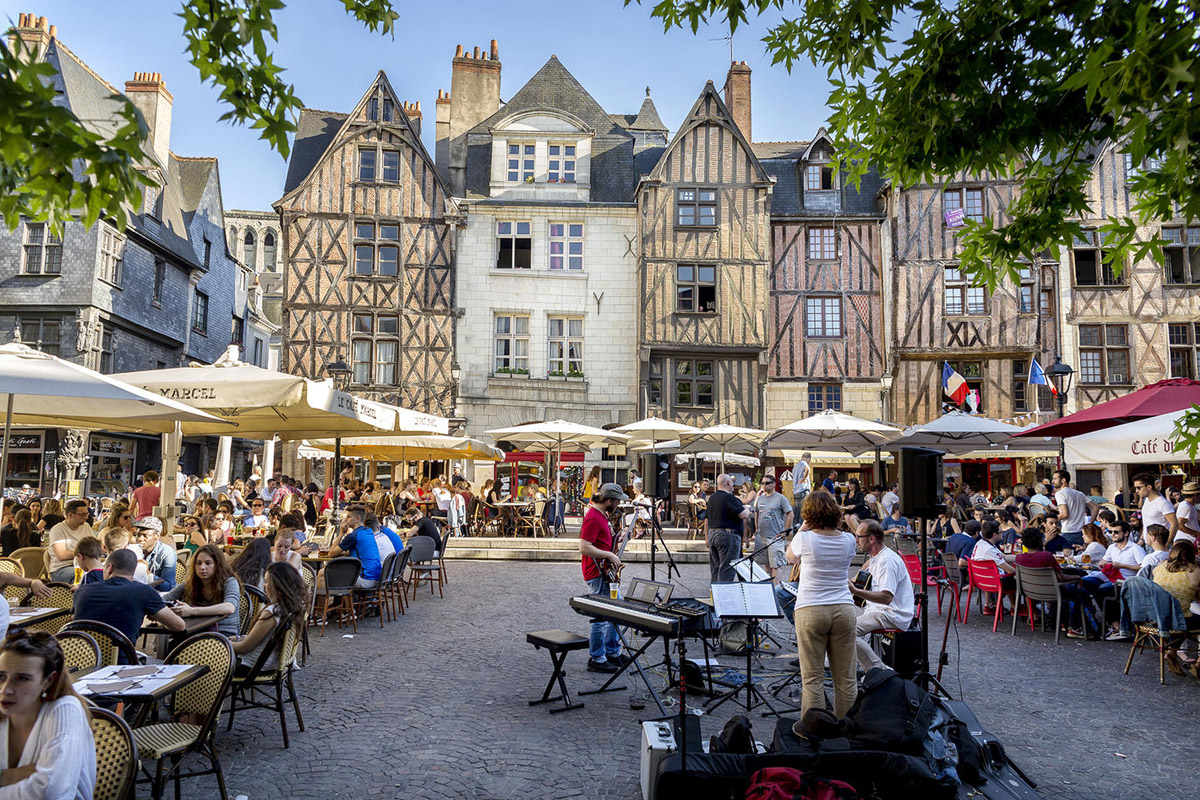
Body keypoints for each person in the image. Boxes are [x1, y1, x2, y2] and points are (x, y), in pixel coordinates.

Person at [785, 491, 857, 719]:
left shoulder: (805, 539)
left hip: (811, 608)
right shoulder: (848, 539)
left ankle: (814, 729)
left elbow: (790, 557)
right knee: (846, 677)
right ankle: (848, 728)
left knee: (812, 678)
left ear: (808, 515)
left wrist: (802, 528)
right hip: (843, 608)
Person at [0, 630, 96, 799]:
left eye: (22, 679)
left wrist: (6, 776)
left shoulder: (65, 709)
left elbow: (50, 792)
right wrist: (24, 773)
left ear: (48, 680)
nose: (5, 689)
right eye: (1, 676)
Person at [73, 549, 186, 654]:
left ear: (109, 567)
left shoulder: (82, 591)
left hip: (82, 660)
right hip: (120, 663)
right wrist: (156, 616)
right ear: (133, 571)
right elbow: (179, 626)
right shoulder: (144, 592)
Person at [849, 520, 915, 673]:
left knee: (847, 631)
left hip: (891, 613)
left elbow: (886, 597)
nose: (856, 540)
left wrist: (855, 591)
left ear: (871, 539)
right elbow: (860, 578)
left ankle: (878, 671)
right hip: (876, 608)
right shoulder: (876, 557)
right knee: (837, 617)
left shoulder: (887, 561)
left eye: (859, 536)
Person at [577, 483, 629, 673]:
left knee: (616, 609)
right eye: (616, 502)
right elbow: (584, 547)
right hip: (597, 572)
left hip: (604, 571)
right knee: (601, 615)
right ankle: (597, 657)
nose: (618, 505)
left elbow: (601, 542)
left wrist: (617, 540)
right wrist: (609, 555)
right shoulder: (593, 517)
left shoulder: (602, 516)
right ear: (608, 501)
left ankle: (612, 651)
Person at [231, 562, 307, 672]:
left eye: (267, 581)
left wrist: (219, 644)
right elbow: (257, 639)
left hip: (253, 665)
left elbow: (244, 647)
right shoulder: (291, 607)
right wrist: (235, 638)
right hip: (271, 662)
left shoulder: (272, 613)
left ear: (277, 584)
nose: (264, 585)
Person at [161, 544, 241, 638]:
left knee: (176, 647)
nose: (202, 567)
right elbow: (166, 598)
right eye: (198, 563)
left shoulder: (229, 581)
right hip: (196, 629)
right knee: (170, 645)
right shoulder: (191, 583)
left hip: (224, 633)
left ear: (218, 565)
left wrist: (191, 611)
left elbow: (229, 607)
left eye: (208, 563)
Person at [706, 473, 751, 583]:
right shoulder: (729, 497)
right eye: (732, 483)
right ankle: (723, 596)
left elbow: (706, 519)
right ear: (728, 483)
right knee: (727, 569)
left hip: (713, 534)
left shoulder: (712, 498)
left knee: (716, 569)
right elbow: (743, 515)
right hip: (727, 535)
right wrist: (747, 509)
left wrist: (706, 537)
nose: (733, 486)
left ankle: (715, 595)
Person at [326, 505, 381, 590]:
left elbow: (330, 553)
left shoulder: (353, 536)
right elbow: (360, 551)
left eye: (348, 517)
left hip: (364, 579)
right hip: (377, 577)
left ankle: (321, 603)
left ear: (357, 519)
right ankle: (342, 602)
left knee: (323, 573)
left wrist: (341, 533)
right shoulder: (368, 531)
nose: (345, 520)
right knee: (340, 572)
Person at [969, 521, 1016, 614]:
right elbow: (1010, 570)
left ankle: (992, 605)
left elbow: (1005, 557)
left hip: (981, 581)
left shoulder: (982, 543)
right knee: (1020, 581)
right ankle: (1017, 608)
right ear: (995, 534)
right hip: (994, 583)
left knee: (1010, 577)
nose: (1002, 532)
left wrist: (1025, 557)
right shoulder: (989, 550)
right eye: (1001, 532)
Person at [752, 476, 793, 582]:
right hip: (762, 536)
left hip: (775, 536)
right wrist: (756, 528)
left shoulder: (780, 498)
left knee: (776, 565)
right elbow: (756, 513)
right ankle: (769, 588)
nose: (764, 485)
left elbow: (790, 514)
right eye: (762, 483)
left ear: (774, 484)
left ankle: (776, 589)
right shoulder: (760, 498)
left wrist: (785, 531)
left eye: (767, 483)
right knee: (766, 564)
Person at [45, 500, 95, 584]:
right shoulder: (58, 530)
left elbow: (95, 545)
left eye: (87, 514)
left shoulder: (85, 526)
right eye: (82, 515)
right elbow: (62, 555)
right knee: (83, 576)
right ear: (70, 515)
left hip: (83, 565)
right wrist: (85, 553)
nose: (86, 517)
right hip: (61, 569)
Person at [133, 516, 177, 590]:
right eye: (137, 535)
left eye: (145, 535)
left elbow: (168, 587)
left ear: (157, 536)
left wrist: (147, 573)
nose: (140, 539)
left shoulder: (167, 553)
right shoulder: (134, 550)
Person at [1133, 472, 1178, 543]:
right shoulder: (1147, 500)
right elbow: (1147, 521)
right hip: (1148, 542)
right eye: (1135, 488)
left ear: (1149, 487)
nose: (1136, 491)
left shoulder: (1162, 503)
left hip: (1159, 543)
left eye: (1139, 488)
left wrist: (1166, 544)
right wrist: (1142, 538)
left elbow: (1174, 524)